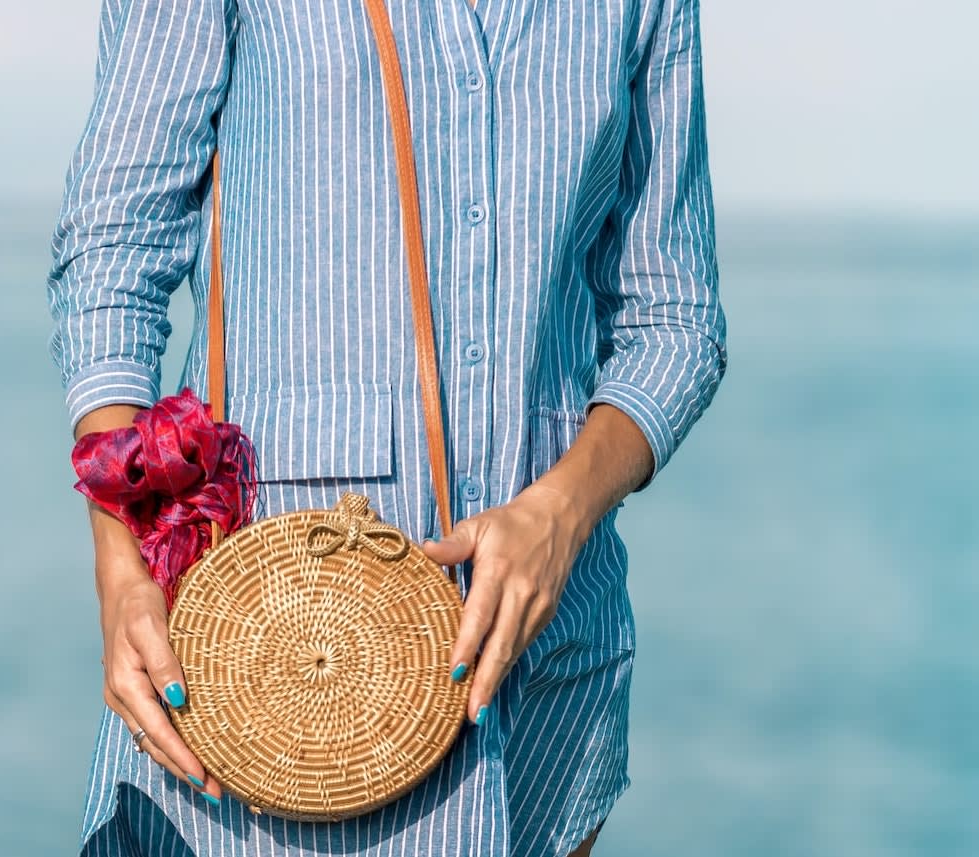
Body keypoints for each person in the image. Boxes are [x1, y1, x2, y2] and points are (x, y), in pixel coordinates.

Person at [44, 0, 727, 853]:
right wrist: (119, 564)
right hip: (267, 673)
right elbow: (114, 251)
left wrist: (560, 513)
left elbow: (676, 317)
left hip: (543, 693)